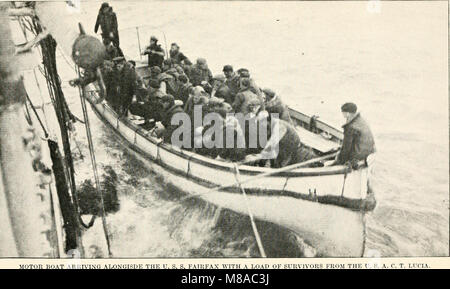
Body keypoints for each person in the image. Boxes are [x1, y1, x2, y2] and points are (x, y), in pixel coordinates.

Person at [244, 111, 317, 168]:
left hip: (299, 155)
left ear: (267, 120)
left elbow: (271, 145)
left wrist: (257, 156)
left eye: (261, 123)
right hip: (284, 153)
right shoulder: (268, 127)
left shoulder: (279, 126)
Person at [327, 103, 376, 167]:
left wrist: (339, 161)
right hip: (369, 152)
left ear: (348, 113)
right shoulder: (361, 119)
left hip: (357, 157)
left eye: (343, 112)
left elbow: (346, 147)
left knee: (338, 156)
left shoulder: (350, 127)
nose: (342, 114)